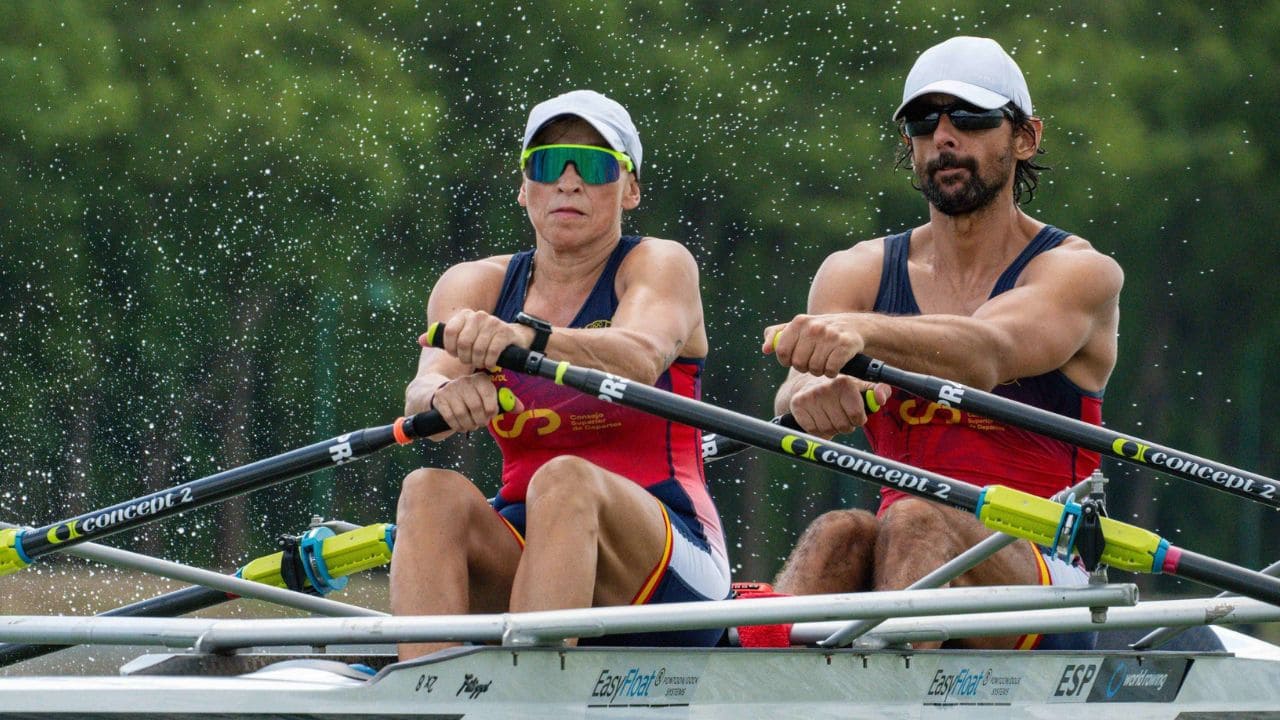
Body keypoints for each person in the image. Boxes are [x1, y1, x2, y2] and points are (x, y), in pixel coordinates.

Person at [762, 36, 1123, 650]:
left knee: (914, 516)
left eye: (972, 118)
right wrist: (814, 389)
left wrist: (864, 333)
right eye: (924, 121)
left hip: (1046, 564)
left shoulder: (1079, 273)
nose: (944, 137)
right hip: (906, 557)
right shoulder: (855, 271)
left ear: (1026, 137)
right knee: (838, 533)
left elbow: (988, 351)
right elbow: (794, 389)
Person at [390, 90, 731, 660]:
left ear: (630, 189)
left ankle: (526, 695)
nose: (569, 182)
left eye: (594, 164)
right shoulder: (472, 284)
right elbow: (423, 391)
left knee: (565, 479)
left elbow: (641, 354)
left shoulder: (658, 264)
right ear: (525, 188)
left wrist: (529, 338)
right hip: (528, 546)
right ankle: (428, 691)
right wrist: (447, 397)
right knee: (428, 492)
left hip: (671, 562)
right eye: (549, 164)